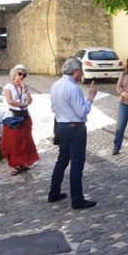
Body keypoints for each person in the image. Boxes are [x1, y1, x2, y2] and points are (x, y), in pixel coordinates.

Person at [48, 57, 98, 210]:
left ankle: (53, 192)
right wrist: (90, 98)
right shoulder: (73, 88)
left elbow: (53, 107)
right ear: (76, 71)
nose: (81, 74)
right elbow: (82, 111)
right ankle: (77, 199)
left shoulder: (56, 85)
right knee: (76, 164)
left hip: (61, 126)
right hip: (75, 128)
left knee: (62, 161)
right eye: (80, 70)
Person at [1, 64, 40, 175]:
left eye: (24, 74)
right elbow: (10, 101)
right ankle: (15, 165)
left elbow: (30, 100)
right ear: (14, 74)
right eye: (20, 74)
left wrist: (25, 89)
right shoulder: (8, 86)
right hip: (14, 117)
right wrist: (22, 104)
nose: (22, 76)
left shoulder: (23, 87)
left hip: (24, 116)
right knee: (14, 142)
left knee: (25, 141)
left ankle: (22, 163)